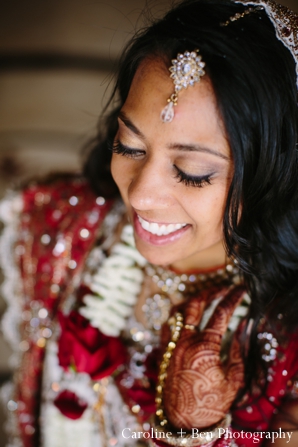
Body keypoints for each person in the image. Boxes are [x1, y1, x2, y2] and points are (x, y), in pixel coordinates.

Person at [0, 0, 298, 446]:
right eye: (130, 147)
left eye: (193, 171)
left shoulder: (286, 331)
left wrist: (195, 430)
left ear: (273, 171)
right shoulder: (60, 220)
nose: (140, 195)